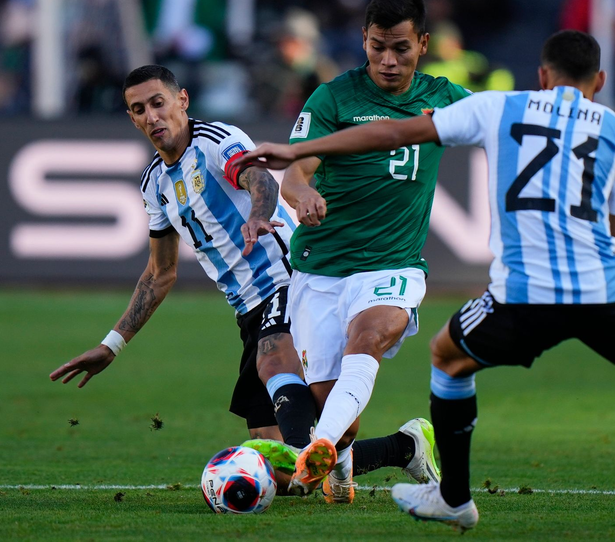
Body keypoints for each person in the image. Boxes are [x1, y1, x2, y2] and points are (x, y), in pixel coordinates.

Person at [235, 30, 615, 536]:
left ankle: (451, 497)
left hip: (525, 295)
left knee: (448, 358)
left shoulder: (500, 110)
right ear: (599, 81)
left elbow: (392, 133)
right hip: (607, 294)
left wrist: (298, 151)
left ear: (542, 77)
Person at [48, 64, 440, 494]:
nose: (151, 116)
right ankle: (404, 447)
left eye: (158, 103)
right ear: (131, 118)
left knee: (273, 360)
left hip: (286, 279)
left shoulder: (216, 141)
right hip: (247, 310)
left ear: (182, 100)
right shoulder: (154, 184)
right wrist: (111, 345)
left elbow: (259, 179)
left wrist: (257, 216)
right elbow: (160, 274)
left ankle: (325, 458)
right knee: (286, 474)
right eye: (139, 109)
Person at [259, 0, 473, 503]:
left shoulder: (445, 99)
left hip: (393, 263)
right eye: (378, 46)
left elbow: (524, 123)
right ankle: (403, 444)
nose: (389, 60)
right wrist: (303, 193)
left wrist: (611, 133)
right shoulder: (333, 96)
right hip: (321, 267)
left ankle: (321, 447)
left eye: (401, 48)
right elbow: (293, 172)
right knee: (338, 407)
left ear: (423, 43)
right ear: (363, 40)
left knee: (369, 337)